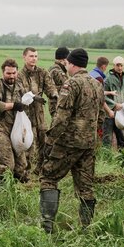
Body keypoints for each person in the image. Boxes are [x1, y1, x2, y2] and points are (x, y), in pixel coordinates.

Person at [39, 48, 105, 233]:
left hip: (68, 142)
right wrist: (94, 137)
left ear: (73, 64)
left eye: (67, 63)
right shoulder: (97, 84)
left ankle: (46, 227)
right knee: (86, 187)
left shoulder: (71, 85)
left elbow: (61, 118)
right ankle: (86, 228)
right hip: (88, 143)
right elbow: (101, 116)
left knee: (48, 178)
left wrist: (50, 141)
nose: (66, 65)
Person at [0, 59, 28, 192]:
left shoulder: (19, 85)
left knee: (21, 165)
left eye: (14, 73)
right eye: (8, 73)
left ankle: (11, 191)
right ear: (3, 72)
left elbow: (24, 101)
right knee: (7, 164)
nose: (11, 76)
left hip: (14, 127)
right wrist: (13, 106)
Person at [15, 47, 58, 174]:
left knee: (44, 141)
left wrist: (54, 94)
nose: (34, 58)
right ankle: (25, 170)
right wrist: (34, 96)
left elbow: (50, 87)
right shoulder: (19, 75)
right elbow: (21, 92)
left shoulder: (42, 72)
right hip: (26, 114)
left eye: (35, 56)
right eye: (31, 56)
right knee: (29, 143)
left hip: (40, 114)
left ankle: (40, 168)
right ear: (24, 57)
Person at [103, 56, 124, 149]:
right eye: (117, 65)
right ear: (113, 66)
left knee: (122, 138)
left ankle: (122, 160)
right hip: (109, 113)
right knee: (107, 138)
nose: (120, 67)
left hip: (121, 113)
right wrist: (114, 104)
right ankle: (106, 160)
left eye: (121, 65)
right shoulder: (108, 78)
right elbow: (102, 95)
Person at [89, 57, 116, 133]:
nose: (105, 69)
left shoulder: (91, 73)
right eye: (106, 67)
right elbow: (100, 97)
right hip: (94, 108)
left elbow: (96, 91)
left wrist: (110, 92)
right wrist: (109, 111)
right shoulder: (99, 78)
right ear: (103, 66)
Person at [48, 47, 69, 118]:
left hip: (55, 105)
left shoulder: (53, 68)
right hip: (57, 106)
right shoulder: (58, 72)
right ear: (63, 59)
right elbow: (68, 87)